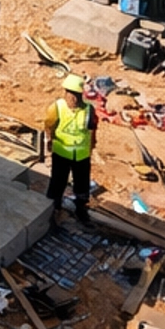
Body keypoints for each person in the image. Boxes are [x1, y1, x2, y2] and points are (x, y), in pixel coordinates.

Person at [44, 73, 97, 226]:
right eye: (70, 94)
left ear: (81, 95)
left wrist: (90, 148)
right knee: (58, 182)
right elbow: (49, 125)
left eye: (76, 94)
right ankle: (54, 208)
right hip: (61, 153)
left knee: (82, 184)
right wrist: (50, 140)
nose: (72, 98)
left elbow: (92, 130)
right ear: (65, 93)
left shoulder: (88, 110)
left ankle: (81, 210)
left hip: (81, 155)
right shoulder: (57, 107)